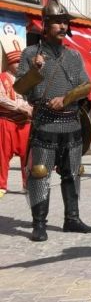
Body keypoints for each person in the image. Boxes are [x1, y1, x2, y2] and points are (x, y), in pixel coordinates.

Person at [14, 0, 91, 241]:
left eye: (65, 22)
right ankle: (39, 223)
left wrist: (67, 98)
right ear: (45, 25)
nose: (63, 27)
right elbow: (19, 88)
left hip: (71, 122)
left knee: (73, 172)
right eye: (58, 22)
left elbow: (87, 86)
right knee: (40, 172)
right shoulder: (30, 54)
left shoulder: (73, 56)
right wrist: (35, 70)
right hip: (45, 122)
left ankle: (72, 218)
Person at [0, 35, 31, 198]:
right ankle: (1, 185)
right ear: (10, 63)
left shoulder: (27, 80)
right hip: (7, 121)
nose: (20, 66)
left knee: (27, 156)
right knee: (2, 155)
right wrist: (21, 107)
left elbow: (32, 98)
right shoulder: (2, 77)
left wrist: (31, 107)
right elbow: (1, 98)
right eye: (17, 62)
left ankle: (28, 184)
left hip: (25, 123)